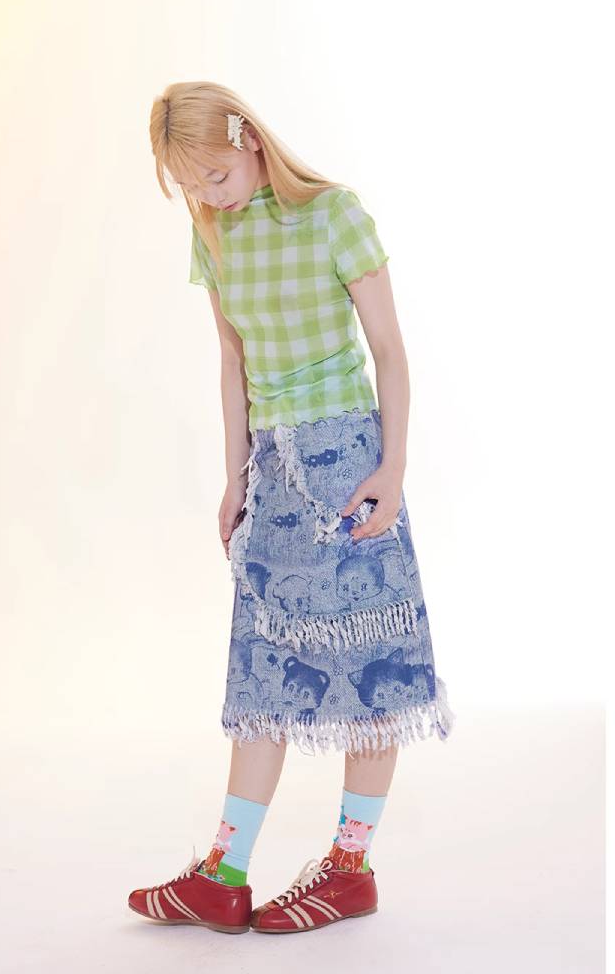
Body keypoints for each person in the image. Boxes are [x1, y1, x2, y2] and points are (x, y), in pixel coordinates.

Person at [128, 81, 456, 936]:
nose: (208, 195)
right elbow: (231, 360)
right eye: (189, 185)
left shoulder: (334, 214)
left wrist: (394, 465)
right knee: (263, 672)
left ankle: (350, 869)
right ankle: (226, 873)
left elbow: (389, 350)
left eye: (214, 174)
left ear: (248, 137)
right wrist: (235, 475)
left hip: (349, 463)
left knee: (372, 666)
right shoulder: (213, 233)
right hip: (273, 471)